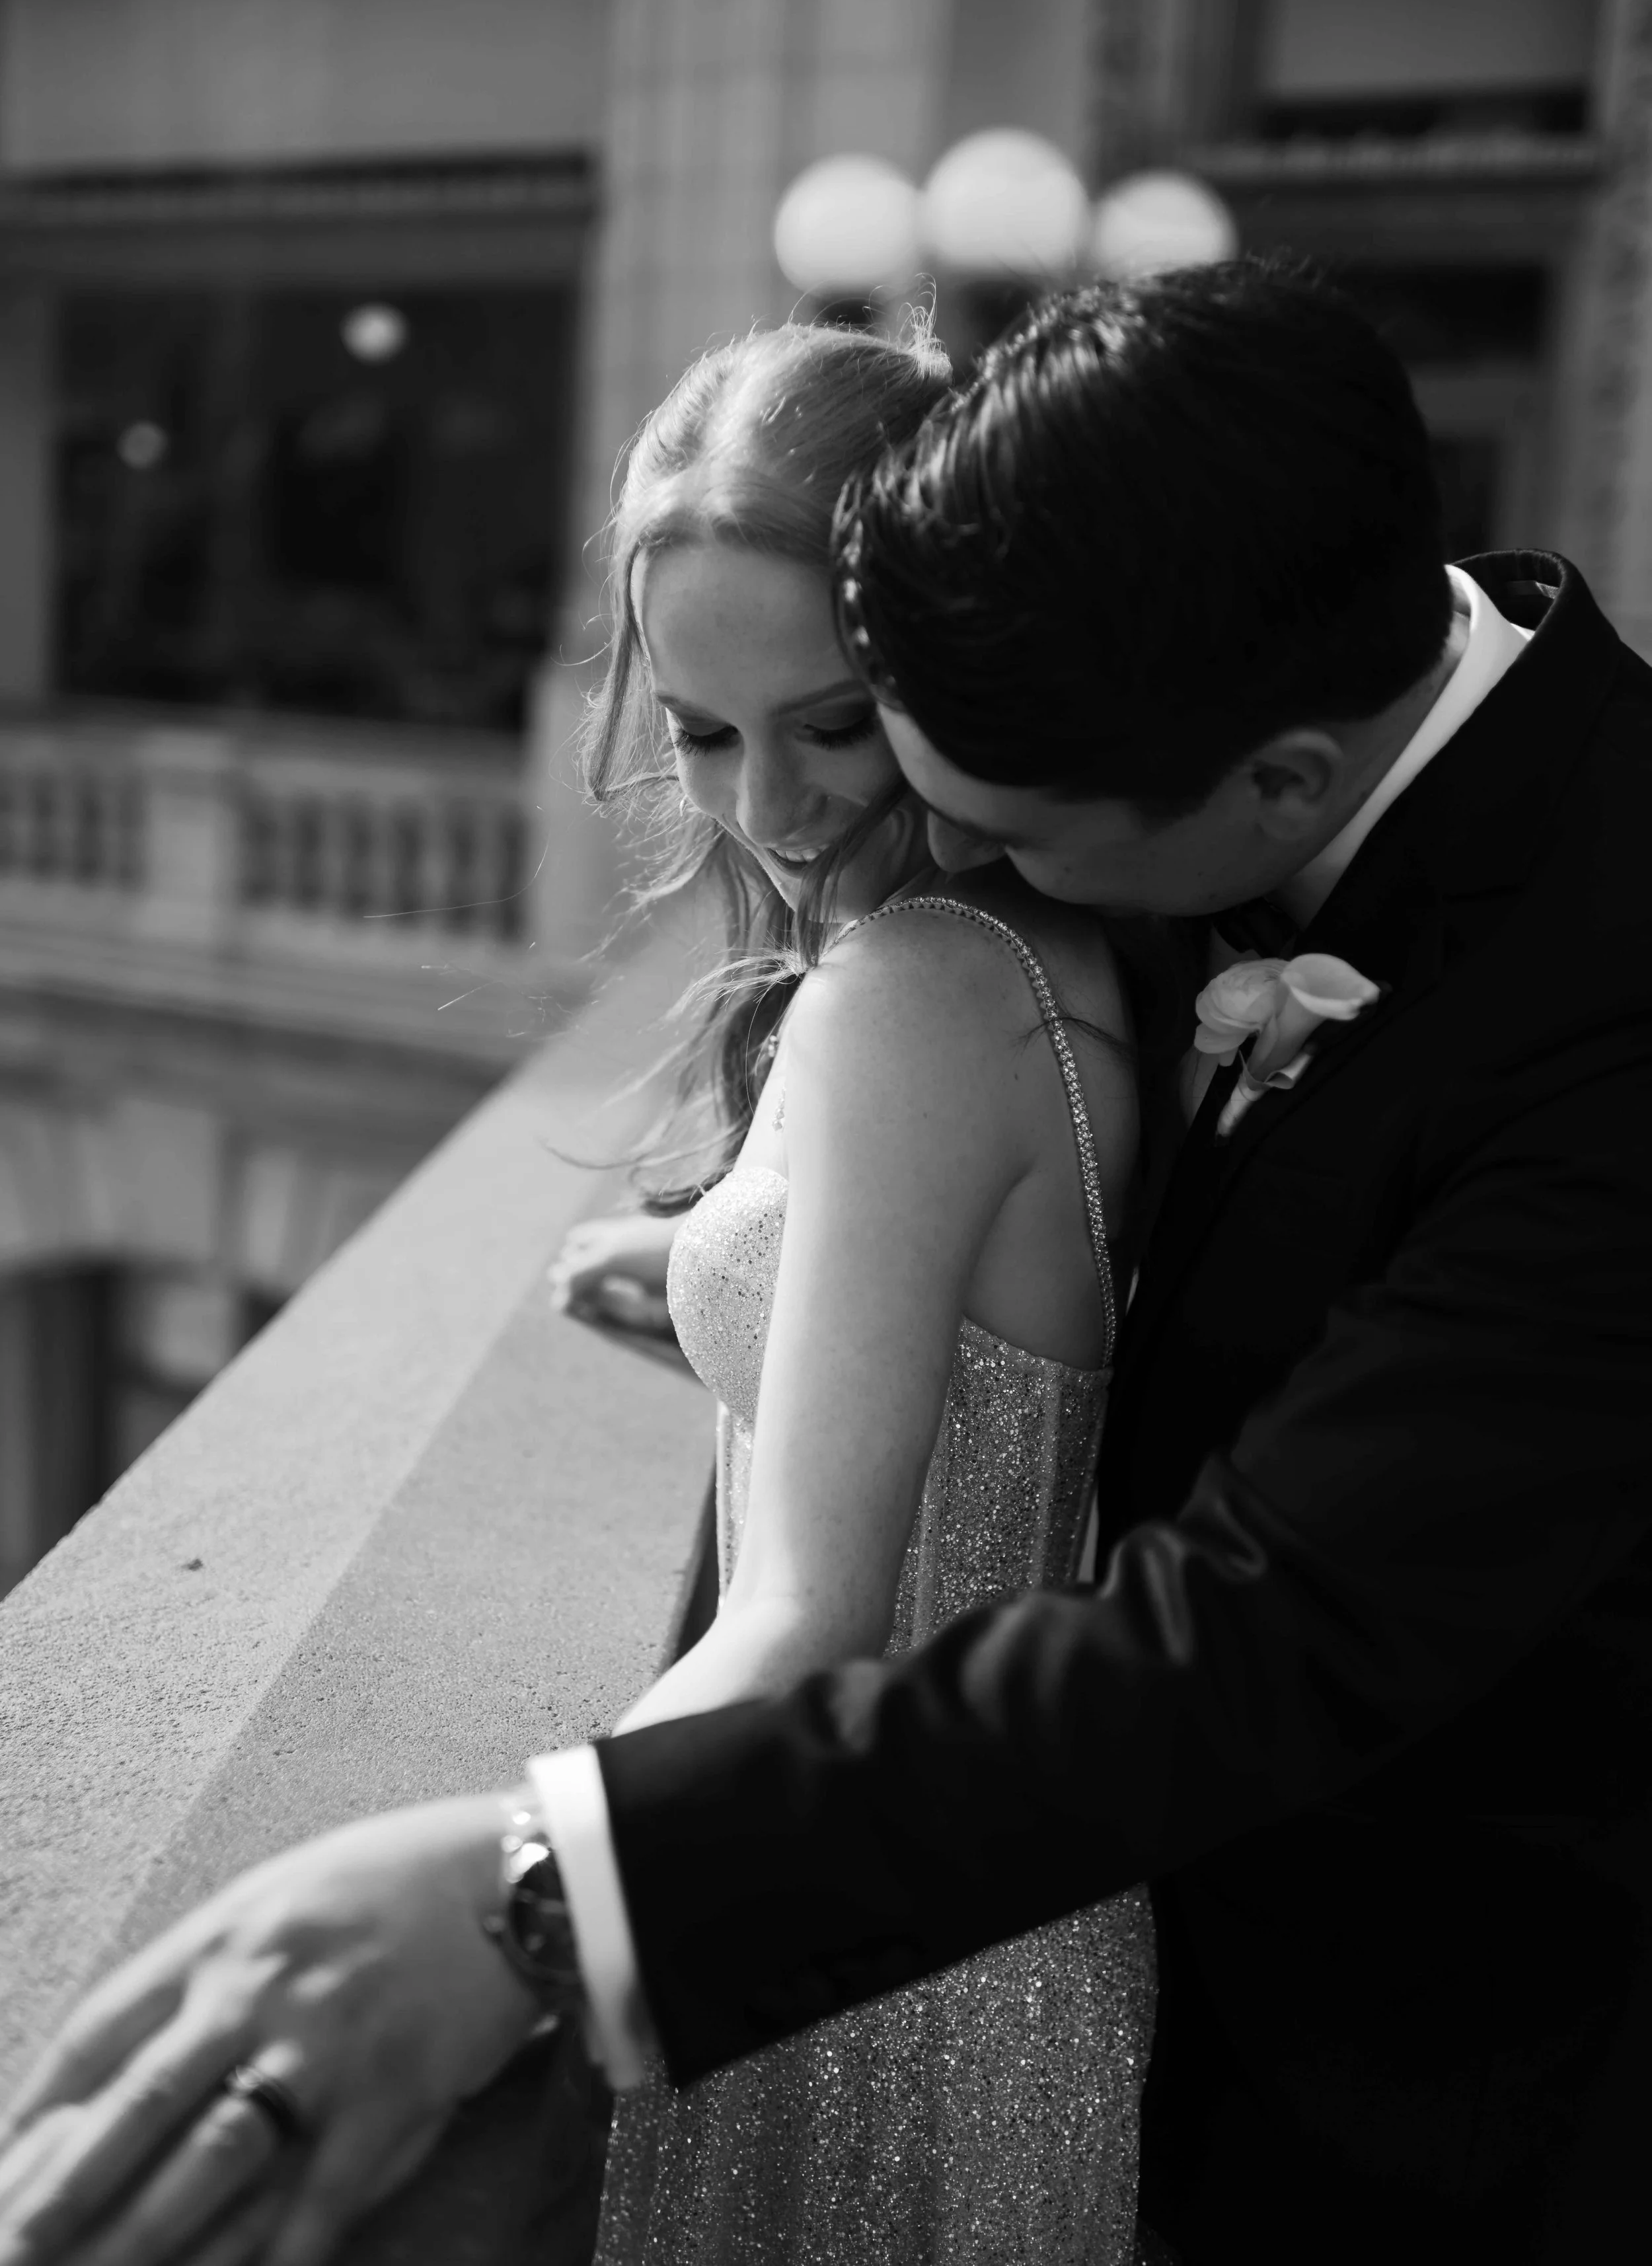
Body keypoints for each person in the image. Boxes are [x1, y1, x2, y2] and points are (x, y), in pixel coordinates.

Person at [3, 260, 1649, 2266]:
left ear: (1276, 785)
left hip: (1427, 2063)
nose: (814, 825)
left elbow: (1263, 1627)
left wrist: (545, 1889)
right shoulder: (1222, 657)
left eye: (872, 746)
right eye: (706, 731)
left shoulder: (1579, 986)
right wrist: (764, 1273)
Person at [0, 320, 1160, 2266]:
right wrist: (717, 1281)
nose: (767, 807)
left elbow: (801, 1627)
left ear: (958, 663)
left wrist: (486, 1892)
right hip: (999, 1915)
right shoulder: (1034, 951)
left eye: (832, 720)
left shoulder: (913, 993)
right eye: (705, 734)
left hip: (866, 1953)